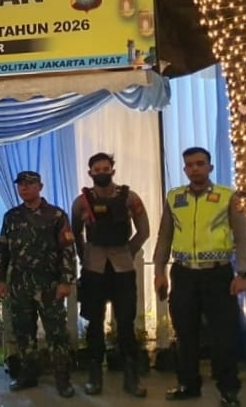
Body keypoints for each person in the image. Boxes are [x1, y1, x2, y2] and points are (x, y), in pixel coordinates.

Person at [153, 147, 246, 407]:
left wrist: (242, 273)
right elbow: (164, 236)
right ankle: (188, 384)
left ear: (210, 167)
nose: (194, 168)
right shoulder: (175, 197)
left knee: (223, 335)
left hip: (218, 275)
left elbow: (242, 237)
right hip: (184, 274)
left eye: (200, 163)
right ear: (184, 169)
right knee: (185, 334)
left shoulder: (228, 196)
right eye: (190, 165)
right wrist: (159, 271)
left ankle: (228, 390)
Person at [71, 153, 149, 397]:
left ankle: (131, 377)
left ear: (113, 170)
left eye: (106, 168)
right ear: (90, 173)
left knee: (126, 323)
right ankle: (95, 376)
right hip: (94, 269)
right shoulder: (81, 202)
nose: (102, 172)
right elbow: (75, 233)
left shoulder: (130, 198)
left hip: (123, 269)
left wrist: (128, 251)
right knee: (94, 323)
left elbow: (144, 231)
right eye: (97, 169)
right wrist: (84, 256)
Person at [0, 171, 76, 398]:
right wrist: (0, 279)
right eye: (21, 184)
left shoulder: (56, 215)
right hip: (20, 283)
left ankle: (62, 378)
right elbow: (3, 249)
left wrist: (65, 281)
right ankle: (28, 374)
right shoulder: (12, 216)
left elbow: (67, 250)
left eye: (30, 184)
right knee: (23, 331)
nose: (25, 188)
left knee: (56, 332)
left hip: (48, 283)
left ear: (40, 186)